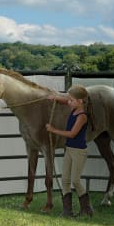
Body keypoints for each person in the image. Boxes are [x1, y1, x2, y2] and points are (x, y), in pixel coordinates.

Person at [46, 85, 94, 218]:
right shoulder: (74, 108)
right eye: (69, 99)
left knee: (75, 180)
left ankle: (86, 208)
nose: (68, 102)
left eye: (71, 100)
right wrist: (55, 97)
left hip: (79, 152)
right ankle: (67, 211)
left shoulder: (82, 116)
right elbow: (64, 100)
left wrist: (53, 130)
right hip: (69, 150)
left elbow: (72, 134)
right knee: (65, 179)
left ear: (80, 102)